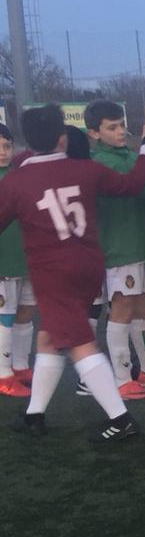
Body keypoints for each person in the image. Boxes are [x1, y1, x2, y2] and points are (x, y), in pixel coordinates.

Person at [0, 104, 145, 441]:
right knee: (49, 338)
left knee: (79, 343)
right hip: (88, 264)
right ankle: (34, 415)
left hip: (52, 273)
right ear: (62, 138)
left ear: (26, 142)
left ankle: (121, 419)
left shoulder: (16, 180)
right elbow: (132, 184)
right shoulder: (86, 169)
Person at [87, 100, 145, 396]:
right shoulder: (98, 162)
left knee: (142, 309)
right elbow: (132, 186)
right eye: (112, 127)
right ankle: (122, 379)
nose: (120, 131)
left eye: (121, 125)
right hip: (119, 247)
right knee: (122, 309)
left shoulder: (132, 157)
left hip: (142, 245)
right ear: (94, 133)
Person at [0, 122, 37, 397]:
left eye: (7, 146)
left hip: (26, 257)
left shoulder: (19, 176)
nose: (3, 152)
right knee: (5, 316)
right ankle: (4, 374)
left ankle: (21, 366)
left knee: (26, 311)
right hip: (3, 261)